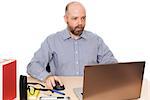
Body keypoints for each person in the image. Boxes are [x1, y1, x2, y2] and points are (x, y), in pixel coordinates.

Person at [27, 1, 117, 89]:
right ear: (66, 19)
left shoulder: (95, 40)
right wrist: (47, 77)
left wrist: (102, 75)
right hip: (64, 90)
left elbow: (111, 62)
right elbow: (33, 65)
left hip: (91, 89)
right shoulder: (52, 40)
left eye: (83, 18)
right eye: (75, 18)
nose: (80, 23)